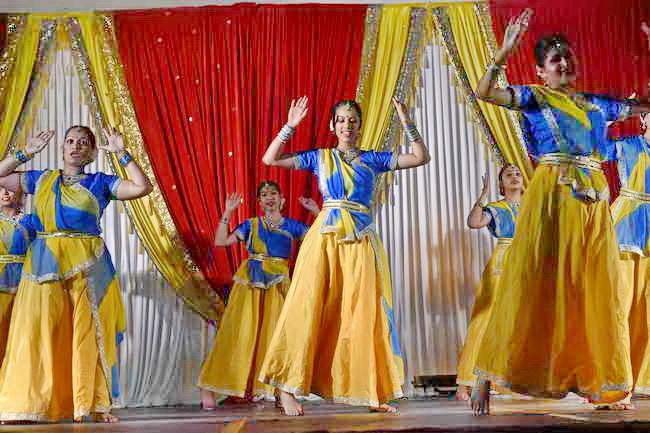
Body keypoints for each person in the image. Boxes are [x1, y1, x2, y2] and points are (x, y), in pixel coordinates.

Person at [471, 8, 650, 415]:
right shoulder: (535, 98)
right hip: (552, 195)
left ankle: (596, 379)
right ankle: (486, 374)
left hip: (593, 202)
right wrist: (504, 52)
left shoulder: (597, 105)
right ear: (541, 70)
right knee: (535, 280)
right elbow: (485, 92)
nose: (565, 63)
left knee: (593, 287)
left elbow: (645, 106)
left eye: (568, 56)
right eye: (556, 59)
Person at [258, 96, 430, 416]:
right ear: (332, 125)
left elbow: (421, 157)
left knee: (364, 309)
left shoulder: (373, 159)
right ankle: (286, 386)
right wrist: (290, 126)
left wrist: (407, 122)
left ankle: (370, 389)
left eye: (352, 120)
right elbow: (271, 159)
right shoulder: (319, 158)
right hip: (325, 237)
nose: (346, 125)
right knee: (308, 304)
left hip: (360, 237)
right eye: (340, 120)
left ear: (360, 126)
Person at [0, 127, 152, 423]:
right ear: (62, 148)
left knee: (87, 333)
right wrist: (25, 153)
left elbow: (142, 188)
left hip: (88, 265)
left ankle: (87, 403)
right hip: (44, 261)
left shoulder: (100, 183)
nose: (76, 146)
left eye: (84, 143)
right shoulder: (42, 179)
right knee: (36, 329)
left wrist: (122, 153)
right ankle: (28, 404)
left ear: (92, 152)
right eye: (71, 141)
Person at [198, 182, 319, 408]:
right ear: (260, 202)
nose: (269, 197)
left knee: (276, 337)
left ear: (282, 199)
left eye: (273, 193)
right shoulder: (251, 225)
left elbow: (319, 240)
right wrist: (228, 212)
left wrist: (316, 212)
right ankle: (208, 385)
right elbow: (221, 241)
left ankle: (279, 390)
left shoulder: (292, 226)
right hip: (250, 284)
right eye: (264, 194)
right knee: (240, 334)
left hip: (278, 285)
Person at [455, 164, 522, 400]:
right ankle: (466, 382)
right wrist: (483, 197)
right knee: (485, 319)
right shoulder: (496, 208)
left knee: (519, 322)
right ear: (501, 183)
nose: (514, 177)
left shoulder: (533, 206)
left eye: (517, 173)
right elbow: (474, 222)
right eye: (508, 175)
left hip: (527, 263)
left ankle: (510, 380)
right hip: (502, 263)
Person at [609, 108, 650, 410]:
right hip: (628, 226)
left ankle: (641, 381)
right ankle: (614, 385)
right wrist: (613, 119)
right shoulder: (629, 145)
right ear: (644, 120)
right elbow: (592, 143)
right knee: (620, 305)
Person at [0, 185, 34, 363]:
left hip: (24, 287)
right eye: (0, 189)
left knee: (20, 338)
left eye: (9, 188)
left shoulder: (31, 222)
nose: (5, 193)